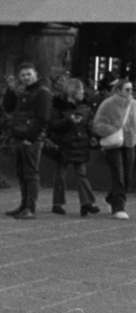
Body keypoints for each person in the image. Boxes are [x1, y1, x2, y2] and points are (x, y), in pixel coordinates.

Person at [2, 61, 53, 220]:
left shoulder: (42, 92)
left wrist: (30, 138)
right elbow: (9, 107)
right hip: (20, 136)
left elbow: (42, 118)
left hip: (31, 139)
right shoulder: (25, 91)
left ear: (36, 74)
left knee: (31, 173)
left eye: (29, 74)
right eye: (23, 75)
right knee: (21, 172)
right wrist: (11, 91)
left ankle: (30, 208)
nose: (26, 77)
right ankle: (23, 205)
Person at [47, 78, 99, 217]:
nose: (83, 92)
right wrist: (69, 120)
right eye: (80, 90)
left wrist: (92, 136)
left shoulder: (84, 107)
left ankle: (86, 203)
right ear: (73, 91)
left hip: (80, 144)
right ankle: (57, 203)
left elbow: (88, 125)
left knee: (82, 174)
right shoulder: (58, 107)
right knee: (60, 175)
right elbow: (53, 126)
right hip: (63, 144)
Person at [91, 78, 136, 220]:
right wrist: (113, 130)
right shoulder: (108, 104)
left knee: (126, 176)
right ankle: (118, 208)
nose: (130, 92)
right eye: (127, 89)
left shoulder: (133, 104)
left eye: (131, 89)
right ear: (118, 90)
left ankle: (111, 198)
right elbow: (98, 124)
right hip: (113, 142)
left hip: (129, 142)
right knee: (118, 175)